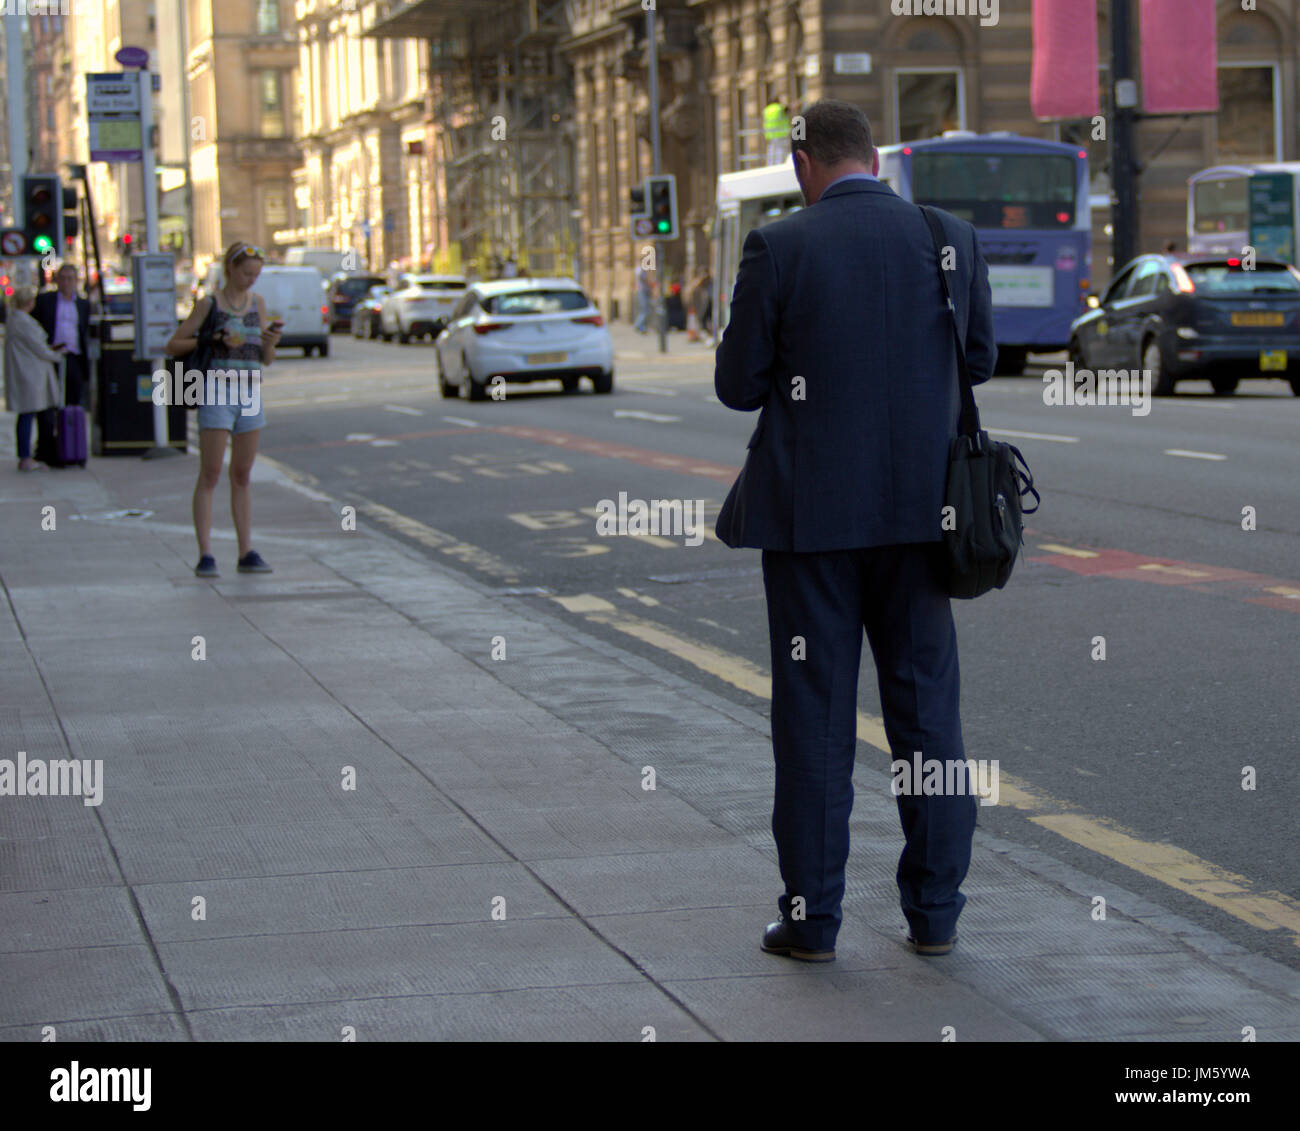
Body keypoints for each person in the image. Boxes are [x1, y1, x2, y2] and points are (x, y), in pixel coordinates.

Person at [714, 99, 996, 962]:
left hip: (811, 527)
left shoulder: (781, 246)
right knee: (928, 721)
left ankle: (812, 921)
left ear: (803, 165)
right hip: (926, 520)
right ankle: (936, 914)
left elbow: (737, 383)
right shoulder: (950, 237)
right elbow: (976, 360)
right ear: (874, 156)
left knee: (814, 724)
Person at [165, 241, 282, 579]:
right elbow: (173, 344)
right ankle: (205, 554)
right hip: (215, 388)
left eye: (256, 274)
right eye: (247, 273)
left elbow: (265, 358)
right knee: (211, 472)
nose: (251, 280)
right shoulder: (209, 304)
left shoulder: (257, 304)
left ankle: (246, 551)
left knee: (243, 474)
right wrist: (211, 339)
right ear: (230, 269)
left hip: (249, 389)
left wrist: (270, 342)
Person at [4, 285, 67, 471]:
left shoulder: (16, 320)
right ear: (29, 302)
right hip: (29, 375)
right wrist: (57, 355)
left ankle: (30, 454)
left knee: (28, 414)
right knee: (27, 414)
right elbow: (38, 348)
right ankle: (25, 456)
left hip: (29, 373)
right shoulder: (22, 322)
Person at [33, 262, 91, 407]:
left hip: (74, 357)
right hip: (51, 357)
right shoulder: (45, 301)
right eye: (63, 278)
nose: (66, 282)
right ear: (57, 280)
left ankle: (70, 429)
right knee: (50, 401)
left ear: (76, 281)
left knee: (73, 400)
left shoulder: (83, 304)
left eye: (70, 278)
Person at [763, 99, 792, 165]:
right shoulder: (779, 108)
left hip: (771, 135)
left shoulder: (767, 110)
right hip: (781, 134)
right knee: (782, 153)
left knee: (772, 153)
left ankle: (770, 166)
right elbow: (788, 108)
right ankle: (780, 166)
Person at [634, 261, 653, 333]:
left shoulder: (640, 269)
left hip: (643, 291)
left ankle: (642, 327)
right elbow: (646, 280)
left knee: (644, 310)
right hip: (642, 292)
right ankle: (638, 325)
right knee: (645, 310)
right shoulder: (641, 270)